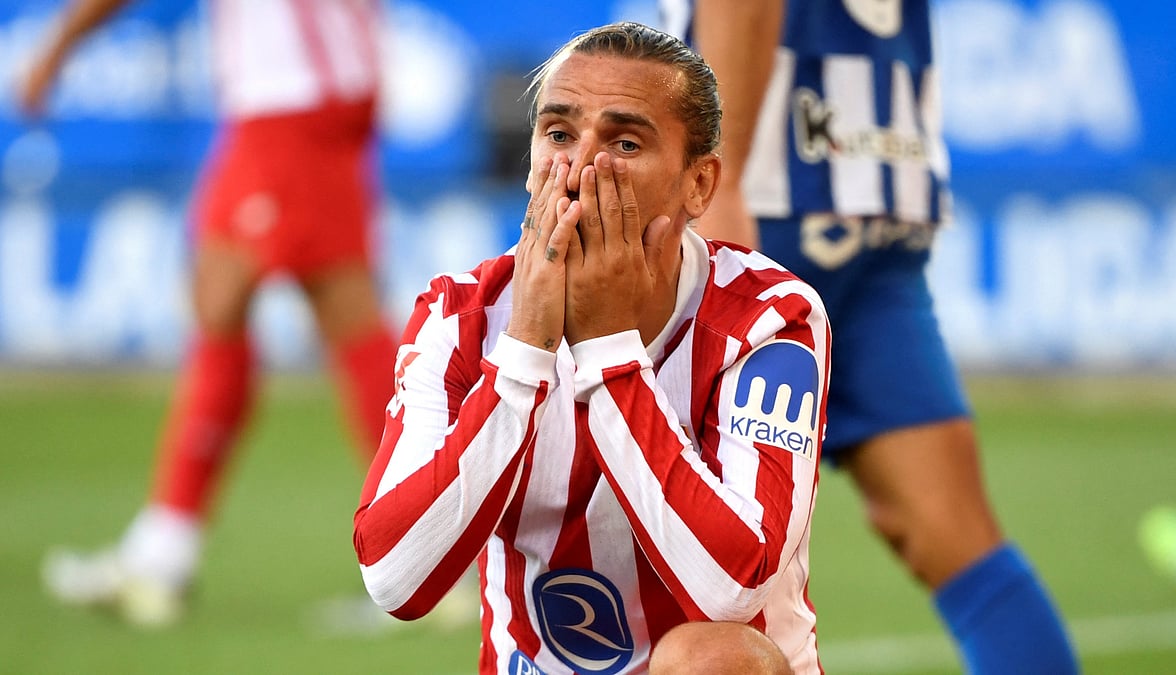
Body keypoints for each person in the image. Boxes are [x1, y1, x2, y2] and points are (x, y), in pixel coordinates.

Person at [353, 21, 831, 674]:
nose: (579, 168)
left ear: (698, 184)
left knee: (713, 660)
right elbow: (393, 579)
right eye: (557, 134)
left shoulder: (767, 318)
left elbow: (731, 587)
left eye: (624, 143)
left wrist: (608, 349)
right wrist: (524, 351)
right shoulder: (460, 317)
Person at [659, 1, 1079, 672]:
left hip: (769, 196)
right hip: (877, 187)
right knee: (954, 538)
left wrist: (725, 175)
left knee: (681, 550)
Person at [22, 0, 398, 627]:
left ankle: (432, 557)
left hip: (292, 97)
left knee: (315, 310)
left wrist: (57, 46)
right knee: (237, 301)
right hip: (315, 93)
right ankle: (162, 554)